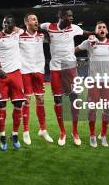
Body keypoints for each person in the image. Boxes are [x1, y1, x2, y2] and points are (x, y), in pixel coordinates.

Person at [40, 9, 95, 146]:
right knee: (58, 99)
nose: (71, 18)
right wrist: (44, 33)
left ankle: (74, 132)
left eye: (72, 15)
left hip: (70, 68)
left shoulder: (74, 28)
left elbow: (87, 32)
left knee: (74, 98)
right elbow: (34, 27)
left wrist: (93, 36)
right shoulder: (49, 26)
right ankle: (62, 131)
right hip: (55, 68)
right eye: (69, 16)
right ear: (61, 16)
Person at [75, 21, 109, 147]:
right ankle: (92, 135)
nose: (102, 29)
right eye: (99, 27)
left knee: (107, 109)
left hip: (107, 82)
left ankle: (103, 135)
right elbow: (74, 50)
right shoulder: (89, 42)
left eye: (104, 27)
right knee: (92, 109)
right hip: (93, 81)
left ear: (107, 30)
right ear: (95, 30)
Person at [0, 15, 26, 150]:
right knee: (2, 106)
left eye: (8, 23)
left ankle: (14, 134)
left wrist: (17, 28)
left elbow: (26, 28)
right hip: (3, 75)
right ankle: (2, 136)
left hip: (16, 74)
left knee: (18, 105)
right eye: (4, 22)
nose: (5, 24)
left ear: (13, 25)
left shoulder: (18, 33)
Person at [18, 13, 53, 144]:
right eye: (33, 19)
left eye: (37, 20)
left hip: (39, 70)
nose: (36, 21)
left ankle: (43, 130)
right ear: (26, 22)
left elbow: (54, 37)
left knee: (40, 99)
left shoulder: (42, 36)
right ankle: (26, 131)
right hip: (25, 71)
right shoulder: (19, 36)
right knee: (26, 100)